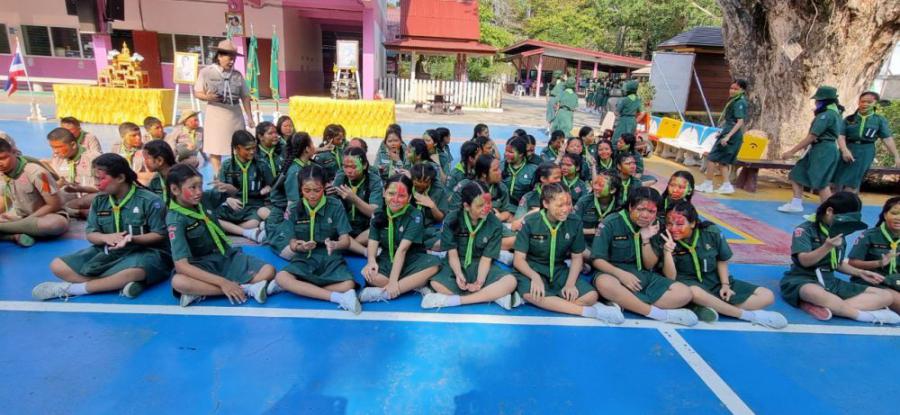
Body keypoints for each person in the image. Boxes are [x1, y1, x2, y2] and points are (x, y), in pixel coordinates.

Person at [34, 154, 171, 300]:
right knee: (58, 265)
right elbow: (91, 234)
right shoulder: (99, 201)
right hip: (109, 251)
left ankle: (75, 289)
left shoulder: (150, 201)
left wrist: (132, 239)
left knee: (136, 270)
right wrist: (106, 237)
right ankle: (115, 283)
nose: (97, 184)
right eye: (95, 179)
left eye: (101, 179)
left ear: (120, 178)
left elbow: (160, 234)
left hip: (147, 252)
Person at [657, 201, 788, 328]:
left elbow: (722, 259)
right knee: (694, 292)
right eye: (669, 224)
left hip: (715, 281)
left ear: (693, 223)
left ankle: (707, 306)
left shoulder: (710, 232)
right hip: (690, 285)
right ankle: (746, 315)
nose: (673, 229)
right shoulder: (664, 238)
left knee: (767, 296)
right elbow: (671, 277)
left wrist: (725, 285)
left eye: (680, 224)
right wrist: (667, 251)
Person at [780, 192, 899, 323]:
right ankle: (862, 315)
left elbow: (836, 263)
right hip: (803, 279)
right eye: (845, 220)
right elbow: (804, 261)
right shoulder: (805, 230)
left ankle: (832, 307)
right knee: (813, 292)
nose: (846, 225)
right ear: (829, 211)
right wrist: (827, 246)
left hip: (831, 282)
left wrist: (860, 273)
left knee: (886, 296)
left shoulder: (838, 230)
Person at [166, 164, 274, 307]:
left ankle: (202, 292)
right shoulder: (175, 220)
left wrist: (229, 188)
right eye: (193, 187)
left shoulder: (203, 199)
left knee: (269, 271)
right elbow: (181, 266)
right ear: (175, 190)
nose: (199, 191)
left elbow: (232, 193)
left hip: (225, 256)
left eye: (200, 186)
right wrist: (223, 283)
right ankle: (246, 289)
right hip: (201, 265)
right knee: (178, 282)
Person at [513, 182, 624, 322]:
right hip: (533, 268)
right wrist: (535, 277)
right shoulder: (530, 221)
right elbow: (518, 260)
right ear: (546, 204)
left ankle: (555, 303)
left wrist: (570, 284)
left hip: (559, 270)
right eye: (560, 205)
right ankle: (591, 312)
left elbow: (577, 258)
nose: (566, 209)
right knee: (531, 295)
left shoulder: (574, 222)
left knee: (591, 296)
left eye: (569, 204)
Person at [592, 187, 698, 326]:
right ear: (630, 207)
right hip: (614, 274)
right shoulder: (611, 222)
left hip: (643, 276)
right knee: (604, 283)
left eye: (651, 211)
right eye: (640, 209)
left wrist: (646, 239)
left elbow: (649, 265)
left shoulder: (656, 225)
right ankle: (660, 314)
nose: (645, 215)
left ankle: (624, 302)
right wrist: (621, 274)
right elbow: (597, 260)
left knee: (684, 293)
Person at [272, 164, 361, 314]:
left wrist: (335, 244)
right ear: (300, 188)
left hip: (330, 257)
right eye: (307, 190)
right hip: (304, 258)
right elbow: (292, 243)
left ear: (325, 187)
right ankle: (337, 297)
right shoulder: (293, 209)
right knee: (281, 277)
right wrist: (299, 247)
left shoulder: (335, 205)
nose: (312, 195)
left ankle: (300, 288)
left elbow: (346, 241)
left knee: (349, 284)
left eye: (317, 190)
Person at [423, 181, 520, 310]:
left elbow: (486, 259)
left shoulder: (494, 223)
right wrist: (458, 274)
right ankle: (490, 295)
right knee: (435, 283)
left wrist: (480, 281)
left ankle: (457, 300)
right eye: (480, 205)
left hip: (479, 263)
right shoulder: (452, 219)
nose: (486, 208)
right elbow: (452, 254)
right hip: (457, 262)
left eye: (488, 203)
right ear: (466, 206)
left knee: (510, 281)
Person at [359, 174, 442, 302]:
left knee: (435, 265)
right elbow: (373, 240)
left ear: (409, 198)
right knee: (369, 274)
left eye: (402, 196)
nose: (395, 199)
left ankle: (384, 293)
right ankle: (413, 284)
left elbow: (402, 250)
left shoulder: (415, 215)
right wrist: (371, 261)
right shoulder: (378, 213)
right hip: (387, 258)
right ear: (384, 193)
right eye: (391, 193)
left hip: (411, 258)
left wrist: (393, 282)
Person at [193, 39, 255, 175]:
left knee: (239, 145)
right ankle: (218, 176)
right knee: (215, 147)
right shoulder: (206, 72)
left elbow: (245, 96)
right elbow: (197, 92)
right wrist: (207, 97)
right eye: (229, 58)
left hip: (234, 115)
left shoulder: (237, 75)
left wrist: (250, 117)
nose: (232, 61)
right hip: (216, 113)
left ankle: (238, 174)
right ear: (219, 56)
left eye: (234, 58)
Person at [778, 85, 844, 212]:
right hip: (817, 148)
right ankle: (796, 204)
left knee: (822, 183)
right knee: (797, 174)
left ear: (824, 101)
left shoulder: (827, 115)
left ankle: (827, 212)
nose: (816, 102)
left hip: (824, 150)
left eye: (818, 100)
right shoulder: (833, 113)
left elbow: (812, 136)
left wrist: (792, 151)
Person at [0, 139, 68, 247]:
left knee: (56, 224)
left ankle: (6, 230)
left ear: (14, 152)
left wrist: (27, 220)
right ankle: (14, 236)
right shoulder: (3, 173)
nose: (0, 163)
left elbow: (54, 204)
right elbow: (5, 199)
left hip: (44, 216)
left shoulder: (36, 172)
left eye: (3, 158)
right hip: (19, 217)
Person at [263, 132, 319, 259]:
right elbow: (292, 205)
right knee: (292, 254)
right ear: (306, 149)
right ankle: (268, 232)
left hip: (303, 212)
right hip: (284, 216)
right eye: (312, 143)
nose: (314, 146)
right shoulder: (295, 171)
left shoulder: (309, 165)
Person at [833, 91, 899, 192]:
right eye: (862, 101)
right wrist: (844, 150)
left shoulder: (879, 120)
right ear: (858, 102)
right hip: (848, 148)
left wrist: (896, 156)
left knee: (853, 183)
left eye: (869, 102)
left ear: (875, 103)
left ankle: (848, 200)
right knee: (836, 180)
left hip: (865, 151)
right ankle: (835, 200)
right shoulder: (849, 119)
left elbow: (887, 139)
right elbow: (841, 135)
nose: (865, 104)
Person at [216, 130, 274, 242]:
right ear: (237, 148)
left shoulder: (261, 164)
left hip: (253, 206)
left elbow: (272, 185)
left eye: (254, 148)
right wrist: (227, 199)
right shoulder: (227, 165)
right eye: (248, 149)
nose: (252, 151)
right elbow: (219, 190)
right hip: (234, 205)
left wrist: (268, 188)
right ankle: (248, 231)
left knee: (254, 223)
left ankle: (234, 230)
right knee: (211, 217)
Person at [847, 196, 900, 312]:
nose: (898, 218)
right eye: (894, 213)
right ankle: (837, 306)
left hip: (896, 281)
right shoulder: (869, 235)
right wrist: (879, 263)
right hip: (873, 281)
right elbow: (852, 263)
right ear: (885, 215)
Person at [697, 80, 748, 195]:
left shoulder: (739, 102)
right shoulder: (734, 100)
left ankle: (708, 184)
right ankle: (726, 185)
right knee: (723, 162)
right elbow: (730, 120)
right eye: (731, 88)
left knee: (712, 158)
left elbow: (740, 122)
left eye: (736, 89)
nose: (732, 91)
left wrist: (727, 136)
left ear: (742, 90)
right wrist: (722, 132)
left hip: (731, 135)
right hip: (727, 132)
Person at [331, 146, 383, 256]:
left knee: (381, 227)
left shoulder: (374, 180)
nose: (349, 171)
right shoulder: (340, 178)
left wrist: (354, 199)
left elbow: (374, 212)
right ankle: (362, 250)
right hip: (345, 228)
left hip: (365, 229)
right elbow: (332, 211)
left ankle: (350, 246)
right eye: (345, 166)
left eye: (354, 167)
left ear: (364, 165)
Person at [46, 127, 100, 219]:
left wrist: (81, 188)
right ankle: (77, 212)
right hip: (71, 196)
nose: (55, 151)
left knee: (78, 202)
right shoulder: (57, 158)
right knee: (48, 201)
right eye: (52, 147)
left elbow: (104, 188)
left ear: (73, 145)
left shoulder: (94, 158)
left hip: (93, 195)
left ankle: (73, 211)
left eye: (58, 147)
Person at [574, 171, 621, 251]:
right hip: (586, 244)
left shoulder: (620, 206)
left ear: (612, 190)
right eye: (595, 183)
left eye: (601, 185)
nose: (595, 187)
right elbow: (573, 228)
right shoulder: (584, 202)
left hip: (609, 245)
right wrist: (593, 231)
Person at [410, 162, 448, 249]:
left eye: (426, 181)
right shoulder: (406, 186)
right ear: (412, 179)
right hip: (408, 227)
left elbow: (441, 218)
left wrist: (432, 205)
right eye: (418, 181)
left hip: (428, 229)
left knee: (445, 237)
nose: (422, 184)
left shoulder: (438, 191)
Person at [502, 137, 538, 211]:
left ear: (521, 154)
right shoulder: (500, 166)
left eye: (510, 152)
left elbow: (535, 194)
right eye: (506, 151)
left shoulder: (533, 170)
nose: (506, 154)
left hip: (523, 208)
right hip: (502, 206)